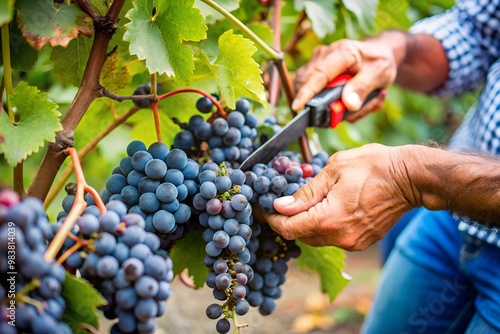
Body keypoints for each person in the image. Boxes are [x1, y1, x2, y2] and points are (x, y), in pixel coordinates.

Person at [266, 0, 500, 333]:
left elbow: (411, 176)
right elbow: (476, 31)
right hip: (452, 216)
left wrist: (411, 176)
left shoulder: (416, 178)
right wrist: (390, 51)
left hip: (447, 189)